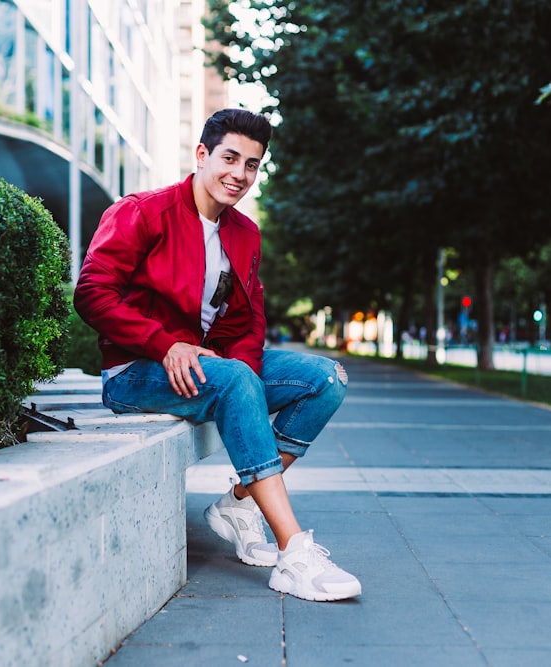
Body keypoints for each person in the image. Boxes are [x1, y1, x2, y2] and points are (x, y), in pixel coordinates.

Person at [73, 108, 360, 602]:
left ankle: (238, 504)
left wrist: (242, 375)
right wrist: (165, 344)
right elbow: (92, 293)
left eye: (252, 165)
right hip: (136, 371)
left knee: (326, 378)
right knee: (233, 380)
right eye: (230, 158)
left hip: (210, 369)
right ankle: (294, 554)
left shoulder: (245, 234)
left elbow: (248, 319)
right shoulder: (142, 211)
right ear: (202, 154)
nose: (240, 174)